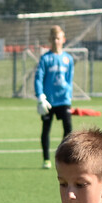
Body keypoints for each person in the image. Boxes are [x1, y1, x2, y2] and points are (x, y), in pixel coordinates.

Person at [35, 25, 75, 170]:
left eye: (58, 38)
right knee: (46, 129)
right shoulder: (45, 59)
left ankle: (64, 157)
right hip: (48, 101)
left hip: (64, 100)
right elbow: (38, 78)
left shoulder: (68, 59)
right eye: (53, 38)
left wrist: (69, 96)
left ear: (63, 40)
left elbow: (69, 80)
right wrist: (40, 96)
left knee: (68, 130)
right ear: (49, 40)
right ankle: (46, 159)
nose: (56, 41)